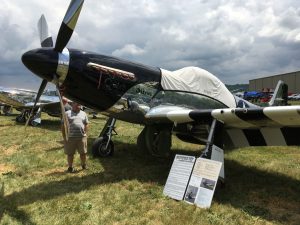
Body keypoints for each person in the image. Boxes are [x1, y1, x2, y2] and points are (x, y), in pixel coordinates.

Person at [62, 102, 89, 173]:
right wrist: (64, 136)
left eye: (79, 104)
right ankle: (70, 167)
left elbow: (86, 124)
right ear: (72, 105)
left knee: (83, 153)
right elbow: (63, 126)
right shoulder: (67, 113)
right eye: (76, 104)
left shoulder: (84, 113)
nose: (78, 105)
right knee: (70, 154)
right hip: (70, 138)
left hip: (81, 137)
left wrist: (85, 133)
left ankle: (84, 165)